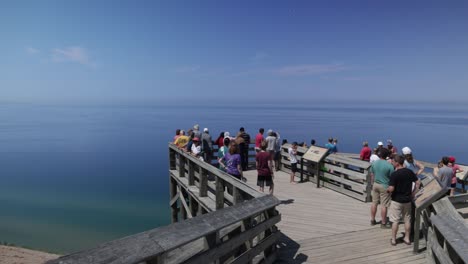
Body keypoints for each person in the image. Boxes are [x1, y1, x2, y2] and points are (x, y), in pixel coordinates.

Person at [387, 154, 420, 246]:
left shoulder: (394, 174)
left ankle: (393, 240)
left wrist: (388, 190)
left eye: (393, 161)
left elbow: (391, 189)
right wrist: (413, 193)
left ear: (397, 163)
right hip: (407, 200)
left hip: (396, 200)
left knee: (395, 220)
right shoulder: (409, 172)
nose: (392, 163)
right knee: (407, 220)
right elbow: (417, 183)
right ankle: (407, 238)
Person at [370, 148, 394, 228]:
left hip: (375, 184)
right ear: (387, 156)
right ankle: (383, 223)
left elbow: (372, 174)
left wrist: (372, 183)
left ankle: (372, 220)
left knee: (374, 203)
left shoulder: (374, 163)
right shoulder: (390, 166)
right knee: (384, 205)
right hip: (385, 186)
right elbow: (392, 178)